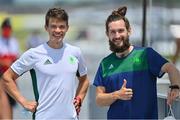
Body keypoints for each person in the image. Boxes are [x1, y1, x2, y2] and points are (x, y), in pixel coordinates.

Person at [2, 7, 89, 119]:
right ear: (46, 28)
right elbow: (7, 78)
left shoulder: (75, 52)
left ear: (67, 28)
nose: (58, 30)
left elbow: (84, 80)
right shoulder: (34, 54)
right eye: (53, 26)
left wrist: (80, 98)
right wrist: (24, 102)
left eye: (62, 26)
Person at [93, 6, 180, 119]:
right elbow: (99, 100)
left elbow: (171, 68)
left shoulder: (146, 54)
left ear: (129, 31)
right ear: (107, 34)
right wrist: (117, 95)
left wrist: (175, 87)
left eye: (121, 30)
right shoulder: (105, 64)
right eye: (113, 32)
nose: (117, 36)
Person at [0, 17, 19, 119]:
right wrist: (4, 62)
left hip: (11, 77)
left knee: (11, 103)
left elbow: (16, 59)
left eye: (9, 28)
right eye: (5, 28)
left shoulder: (14, 42)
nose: (7, 30)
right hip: (1, 76)